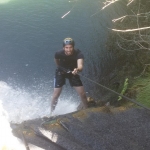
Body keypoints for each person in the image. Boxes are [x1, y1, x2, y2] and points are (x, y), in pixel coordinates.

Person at [50, 37, 88, 115]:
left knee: (82, 93)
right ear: (63, 47)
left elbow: (80, 66)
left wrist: (77, 69)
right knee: (55, 95)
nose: (68, 50)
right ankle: (51, 113)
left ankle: (87, 109)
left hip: (73, 72)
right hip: (61, 72)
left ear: (73, 47)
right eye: (66, 48)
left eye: (70, 47)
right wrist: (60, 68)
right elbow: (56, 61)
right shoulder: (58, 53)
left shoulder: (78, 54)